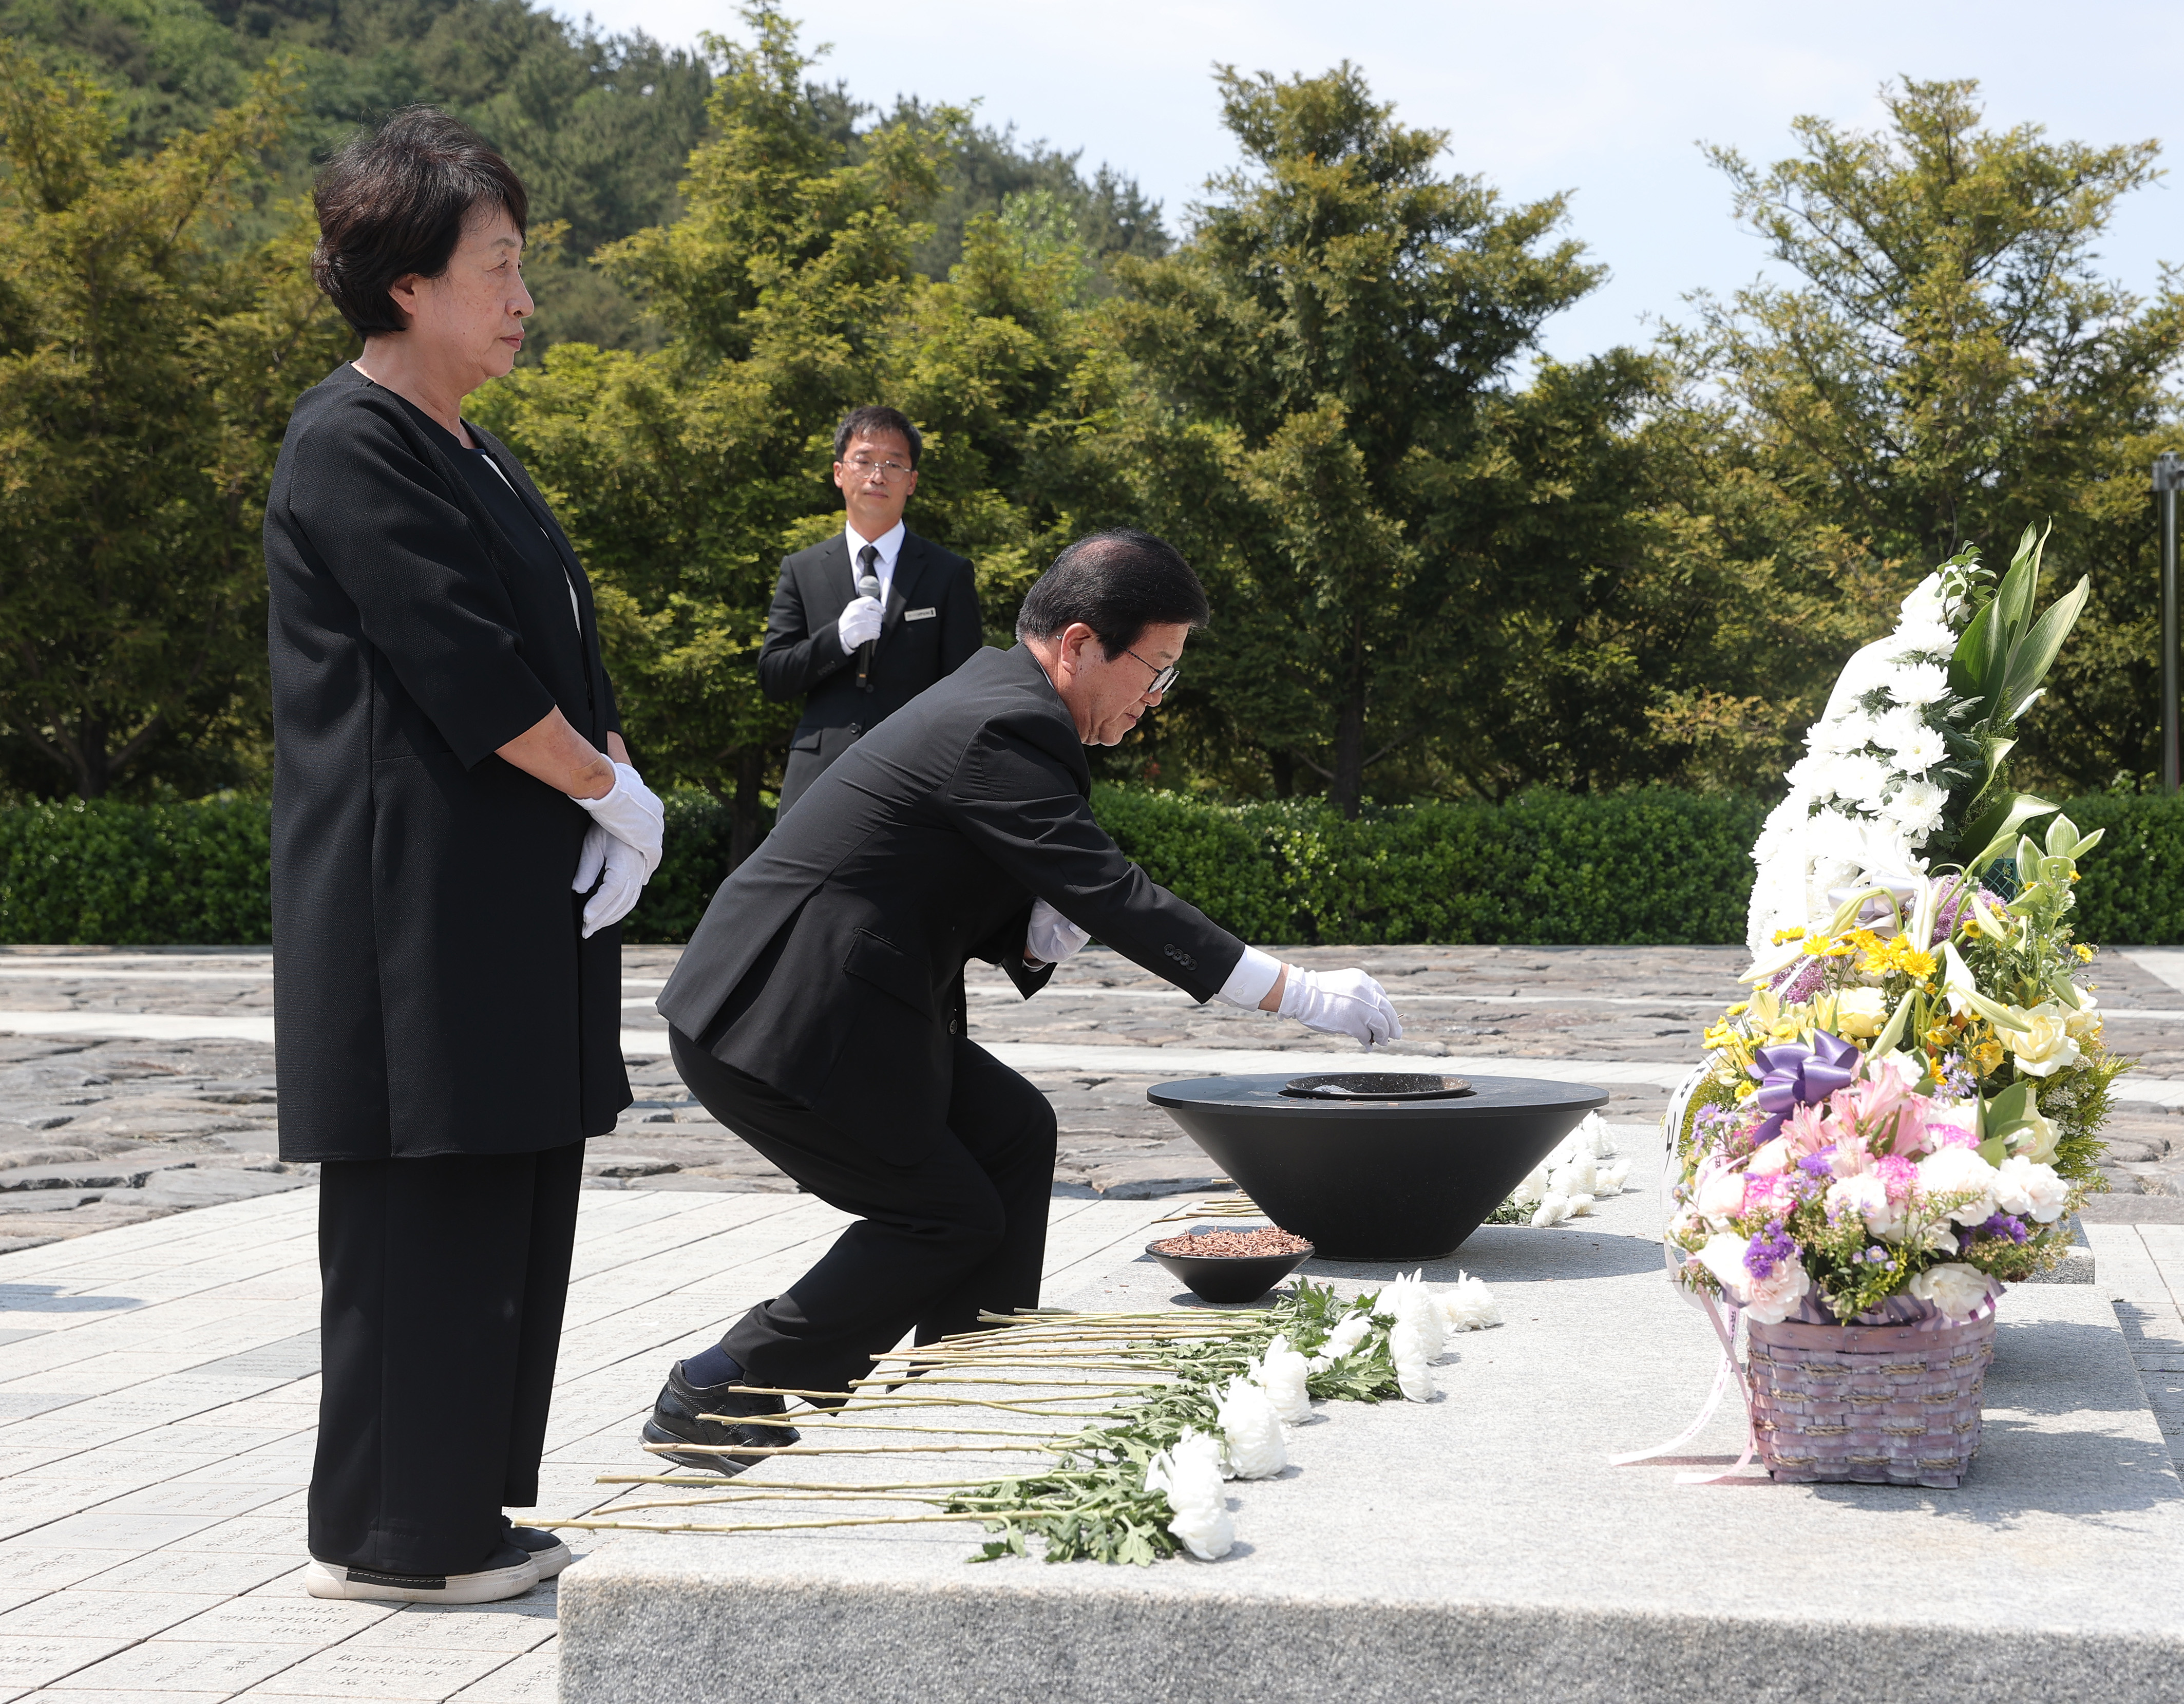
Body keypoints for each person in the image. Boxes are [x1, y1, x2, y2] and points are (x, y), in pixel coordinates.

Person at [643, 529, 1401, 1472]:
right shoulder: (1003, 722)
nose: (1154, 701)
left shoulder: (1001, 703)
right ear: (1080, 645)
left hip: (846, 1008)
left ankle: (967, 1374)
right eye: (1154, 671)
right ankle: (719, 1383)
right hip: (781, 1017)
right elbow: (1118, 895)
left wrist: (1029, 928)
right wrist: (1300, 993)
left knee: (1011, 1129)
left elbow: (954, 873)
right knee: (944, 1213)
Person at [267, 108, 666, 1604]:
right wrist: (603, 787)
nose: (523, 296)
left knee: (500, 1185)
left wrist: (612, 780)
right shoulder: (350, 441)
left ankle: (450, 1513)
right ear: (406, 283)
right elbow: (468, 663)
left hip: (494, 900)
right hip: (407, 910)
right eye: (497, 266)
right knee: (427, 1206)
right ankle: (402, 1535)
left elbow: (547, 649)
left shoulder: (467, 448)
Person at [761, 405, 984, 818]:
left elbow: (965, 693)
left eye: (893, 464)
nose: (877, 475)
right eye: (863, 461)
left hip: (914, 782)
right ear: (839, 473)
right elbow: (774, 677)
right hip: (816, 782)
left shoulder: (948, 573)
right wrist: (837, 640)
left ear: (912, 481)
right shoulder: (802, 568)